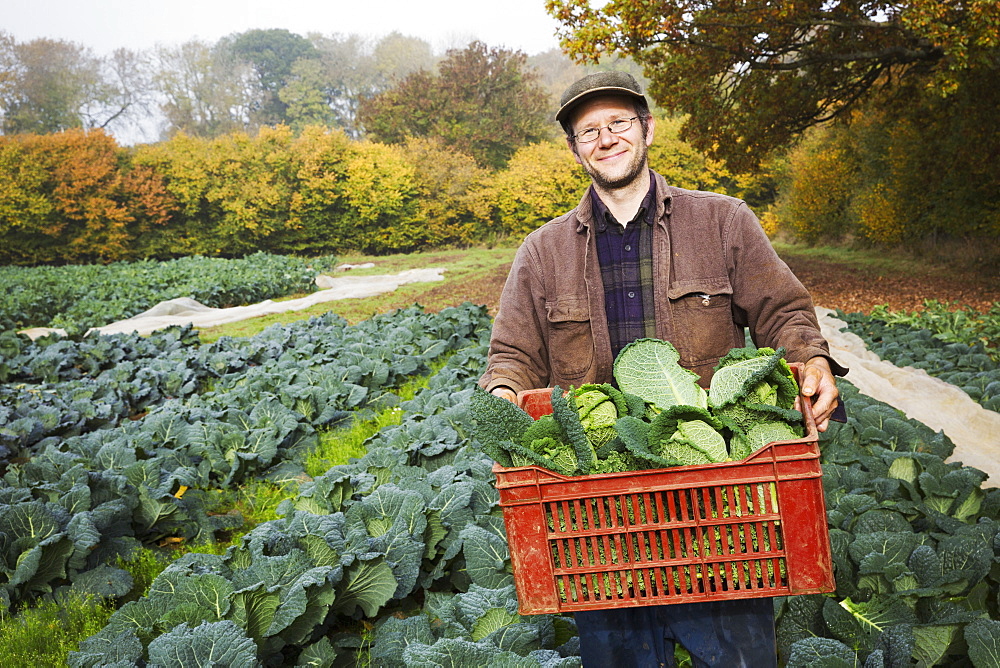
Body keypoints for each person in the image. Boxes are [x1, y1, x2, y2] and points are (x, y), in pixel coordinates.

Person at [478, 71, 847, 667]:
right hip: (600, 507)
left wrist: (810, 358)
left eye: (618, 123)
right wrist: (503, 392)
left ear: (646, 128)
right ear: (575, 149)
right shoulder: (542, 252)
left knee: (737, 657)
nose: (606, 138)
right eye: (588, 130)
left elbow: (783, 310)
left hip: (719, 492)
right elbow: (513, 354)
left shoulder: (723, 221)